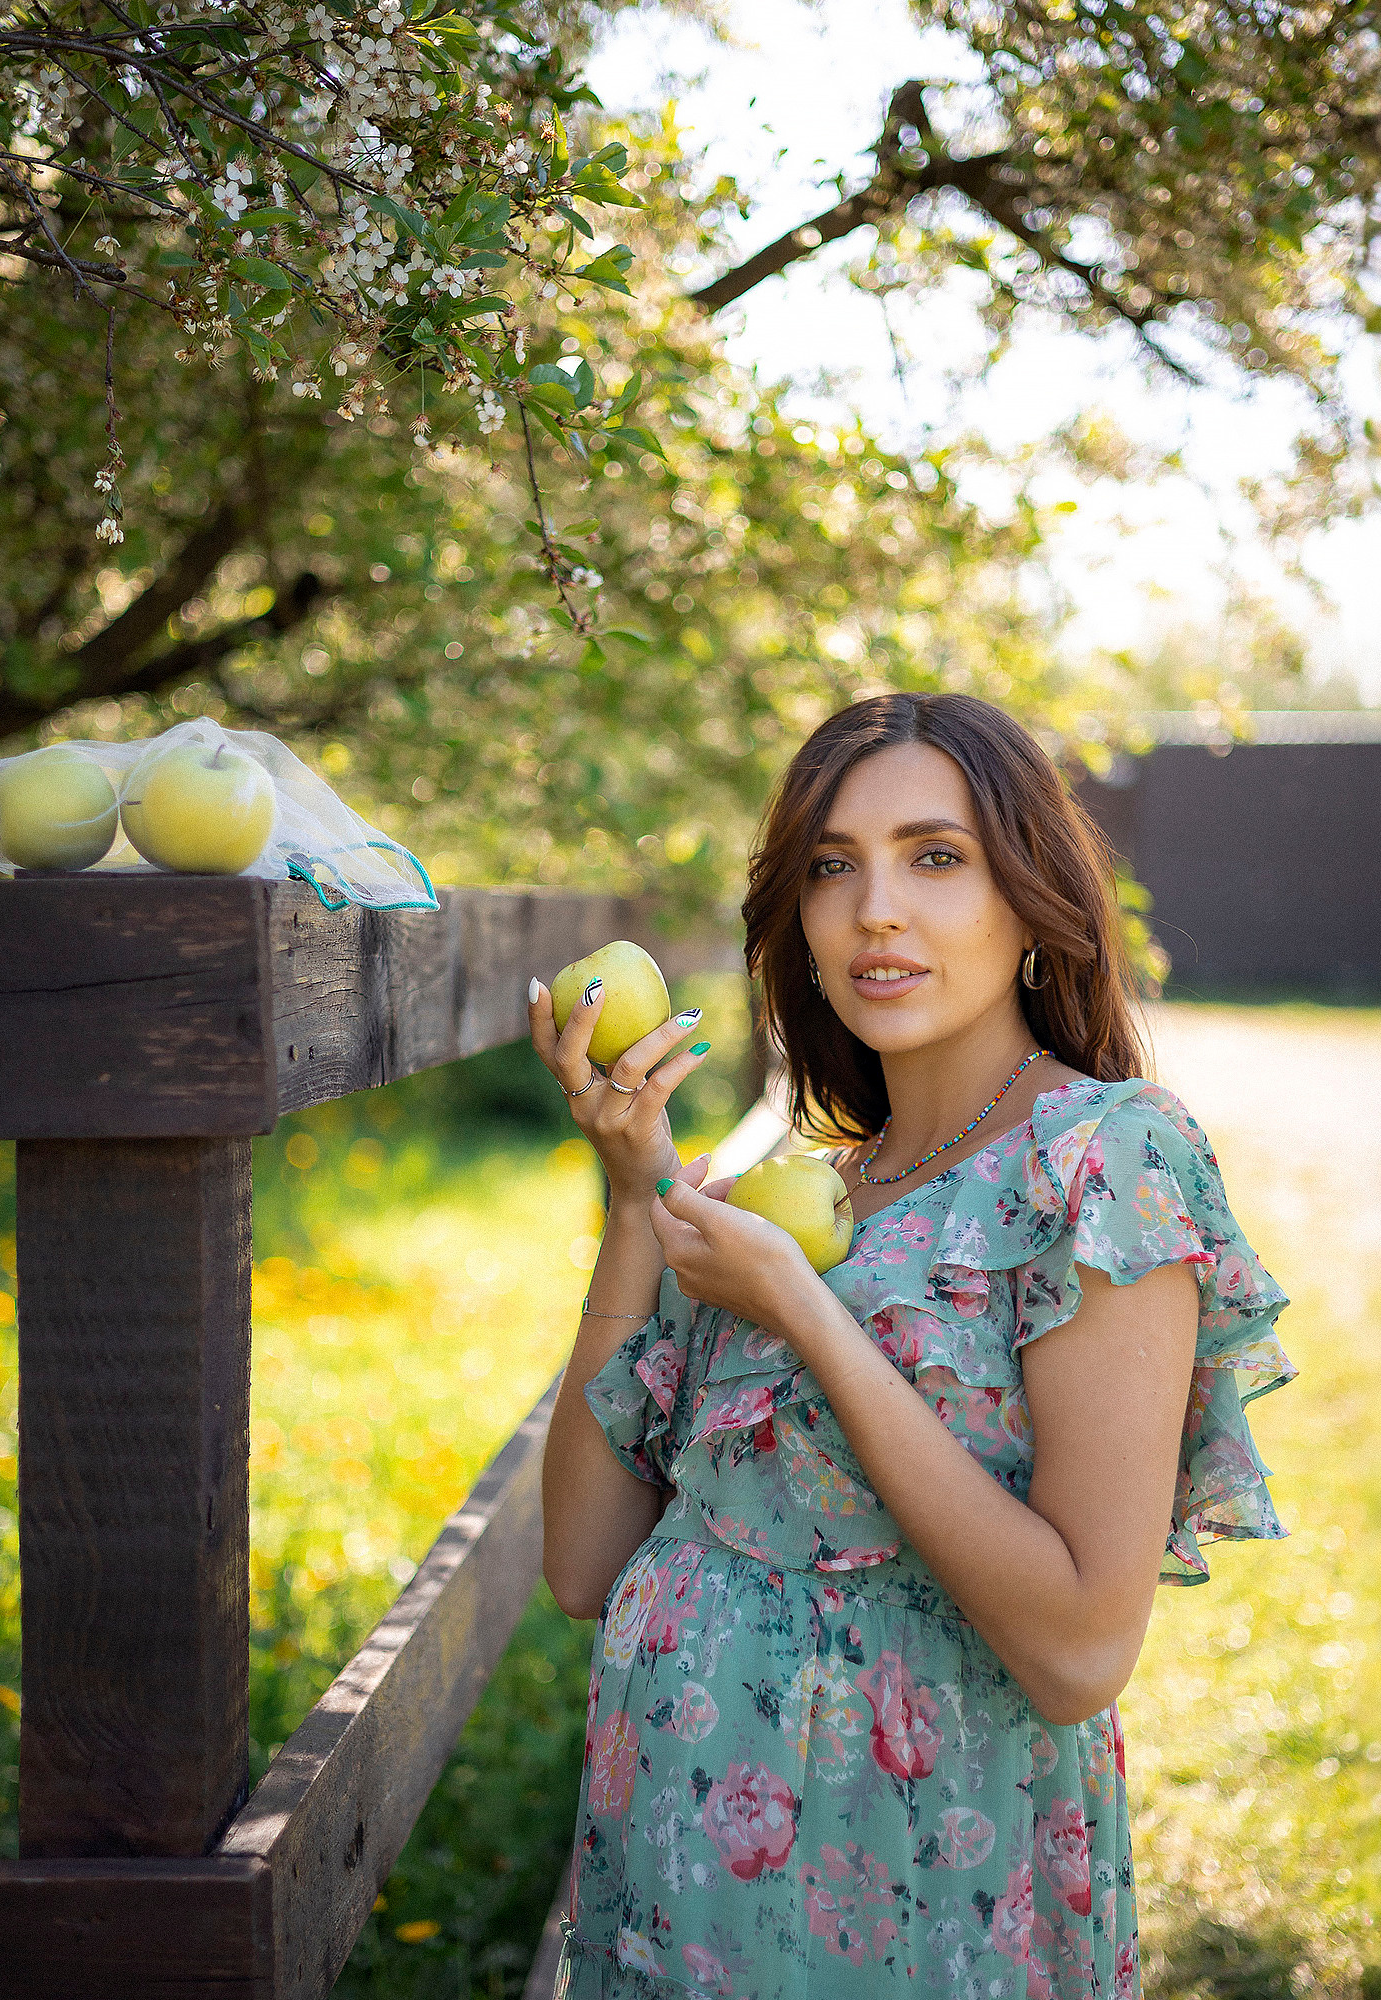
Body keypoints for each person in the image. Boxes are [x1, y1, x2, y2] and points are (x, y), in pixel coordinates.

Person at [527, 692, 1294, 2000]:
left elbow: (1078, 1652)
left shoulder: (1105, 1163)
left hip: (921, 1886)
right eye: (834, 867)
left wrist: (810, 1318)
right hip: (675, 1880)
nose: (875, 908)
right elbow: (585, 1563)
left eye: (935, 856)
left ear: (1029, 894)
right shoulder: (804, 1188)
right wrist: (635, 1192)